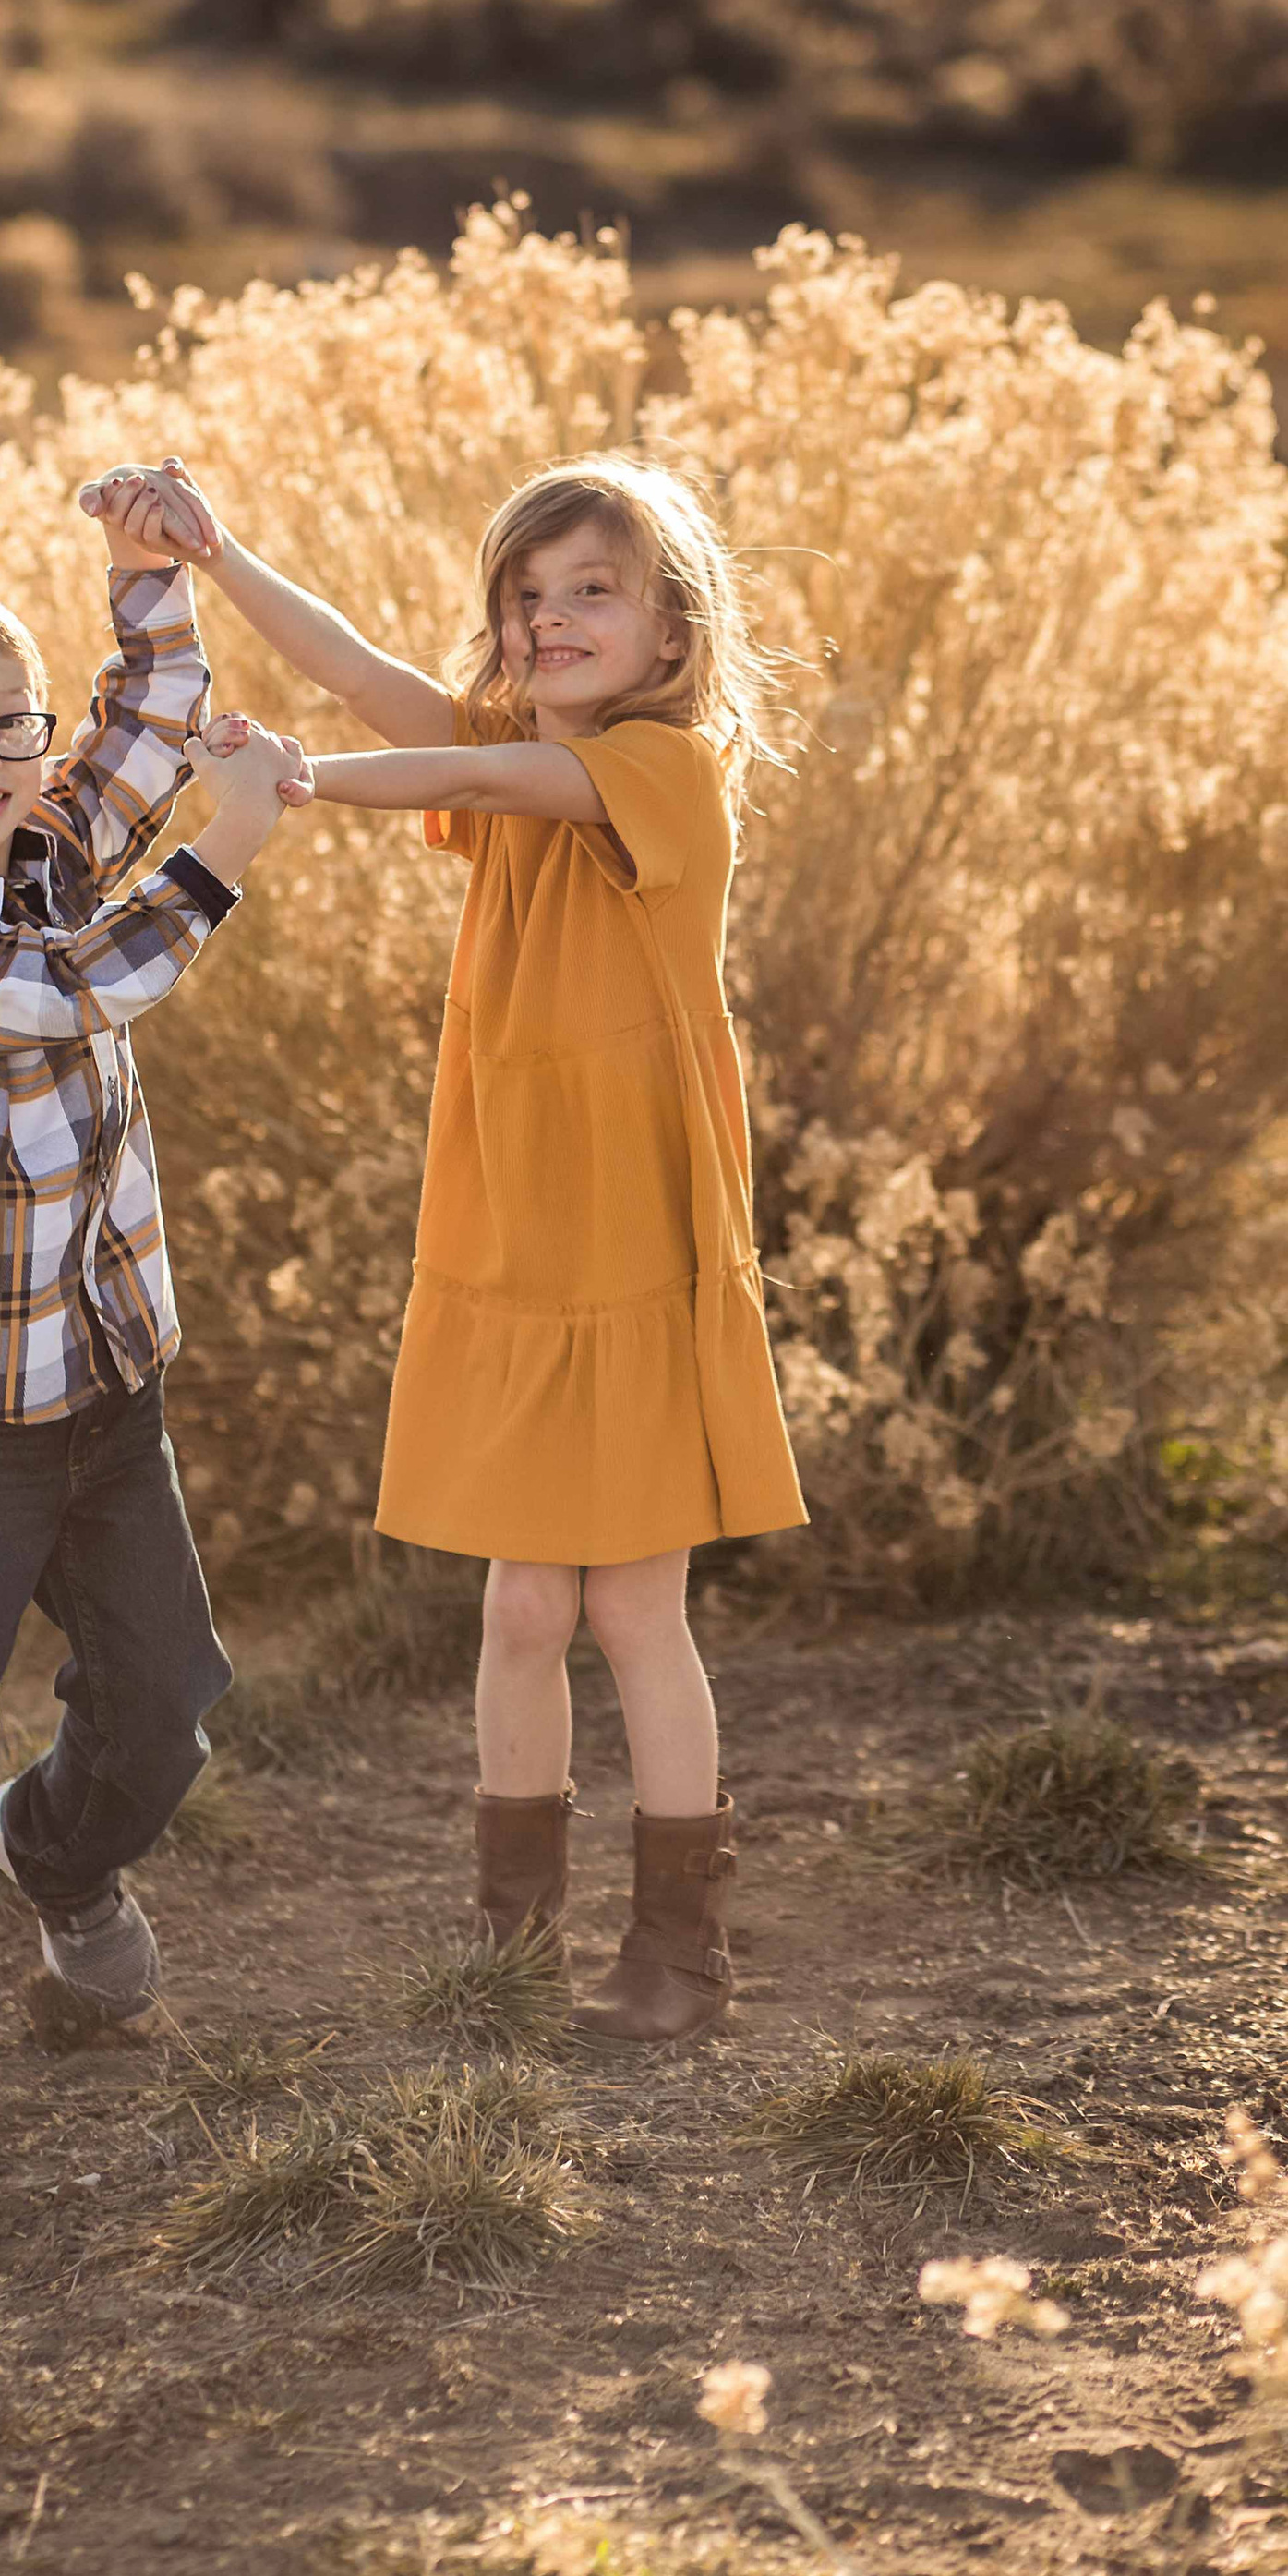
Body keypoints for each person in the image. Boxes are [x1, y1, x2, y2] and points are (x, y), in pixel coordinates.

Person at [170, 449, 805, 2045]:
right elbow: (374, 675)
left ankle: (683, 1949)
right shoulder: (515, 737)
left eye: (594, 590)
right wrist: (218, 552)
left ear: (675, 630)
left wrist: (298, 781)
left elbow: (464, 777)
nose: (551, 619)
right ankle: (512, 1939)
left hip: (638, 1236)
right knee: (523, 1610)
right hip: (517, 1229)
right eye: (527, 597)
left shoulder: (662, 770)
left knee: (633, 1610)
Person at [0, 459, 309, 2173]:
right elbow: (84, 989)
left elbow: (155, 714)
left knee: (169, 1701)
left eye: (8, 726)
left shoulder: (43, 842)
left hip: (101, 1384)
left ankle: (64, 1852)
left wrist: (138, 561)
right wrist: (230, 849)